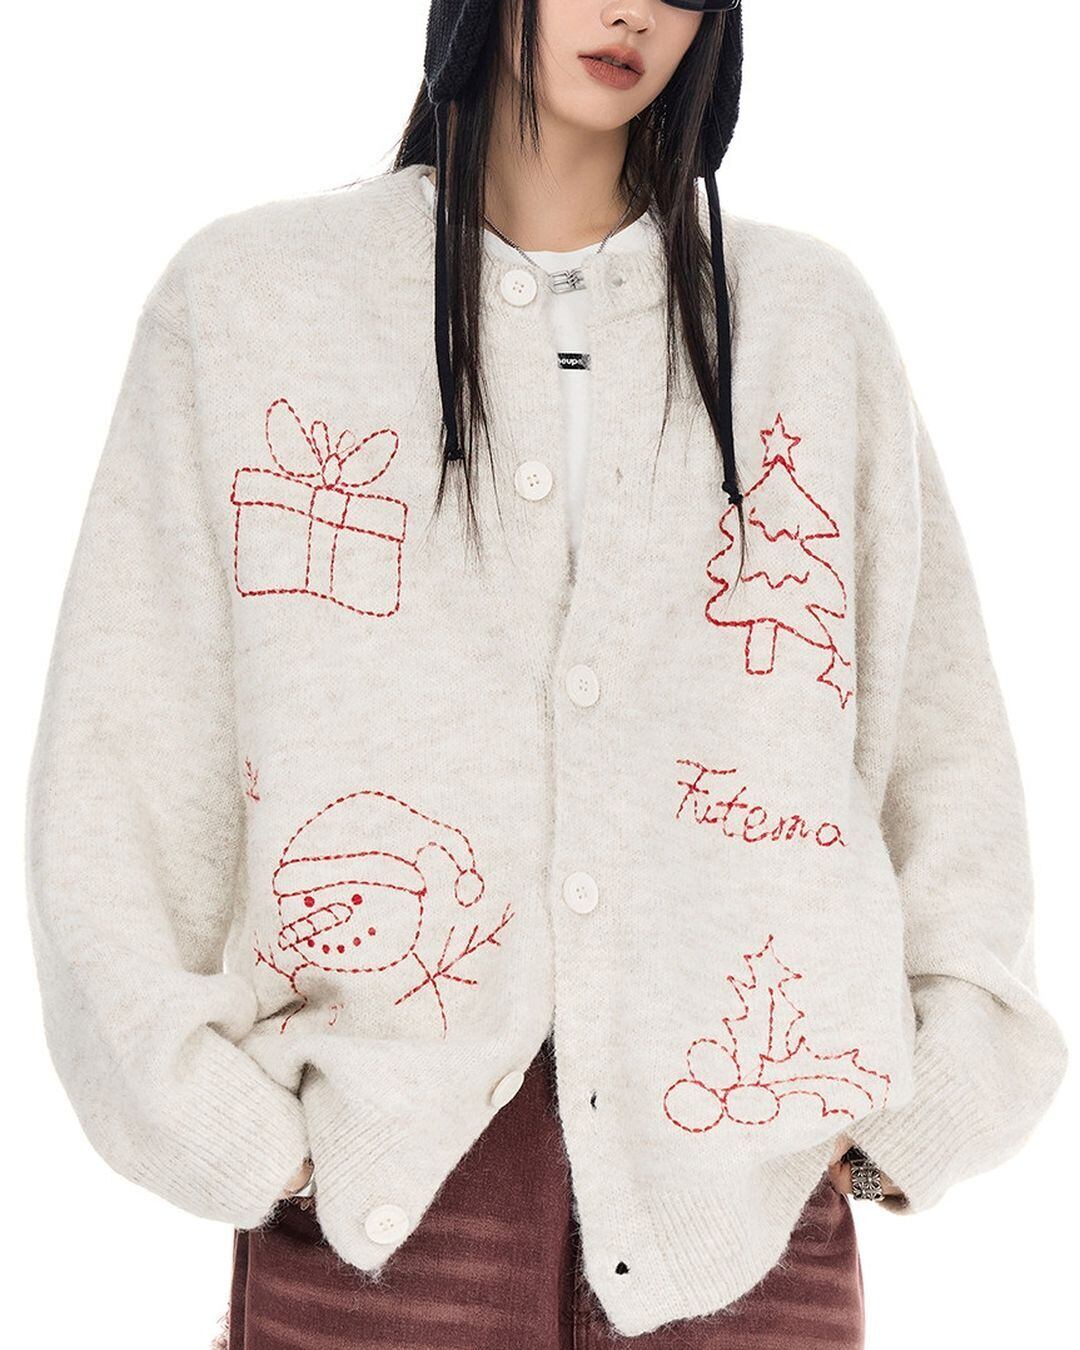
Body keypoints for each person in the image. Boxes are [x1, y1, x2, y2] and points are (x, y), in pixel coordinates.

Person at [25, 3, 1068, 1348]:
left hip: (744, 1229)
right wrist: (246, 1145)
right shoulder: (252, 301)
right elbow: (120, 772)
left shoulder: (809, 323)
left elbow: (946, 765)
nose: (633, 11)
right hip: (386, 1224)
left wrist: (891, 1140)